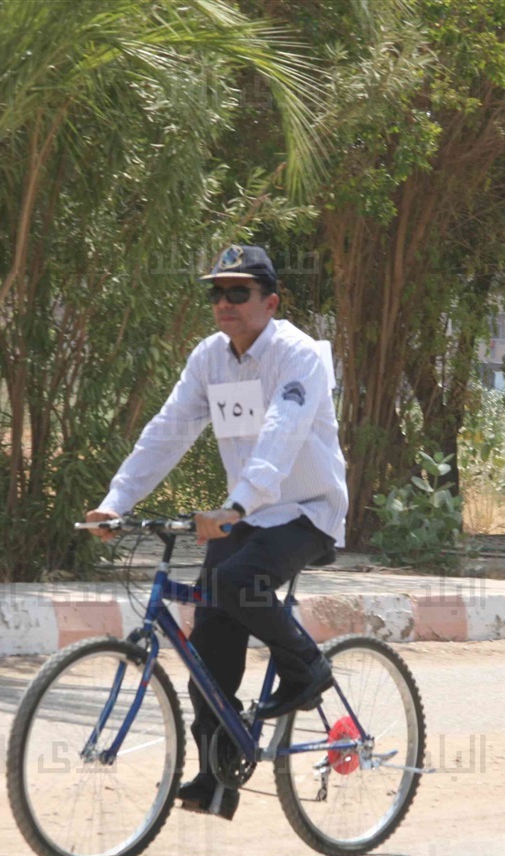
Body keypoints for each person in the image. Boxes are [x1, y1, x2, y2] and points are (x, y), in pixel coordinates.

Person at [85, 244, 348, 821]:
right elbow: (168, 430)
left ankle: (307, 666)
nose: (224, 303)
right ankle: (216, 774)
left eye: (238, 292)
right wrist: (116, 502)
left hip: (306, 509)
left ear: (270, 302)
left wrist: (234, 504)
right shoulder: (210, 359)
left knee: (237, 580)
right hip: (246, 513)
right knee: (209, 639)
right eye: (216, 293)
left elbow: (281, 435)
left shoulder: (299, 356)